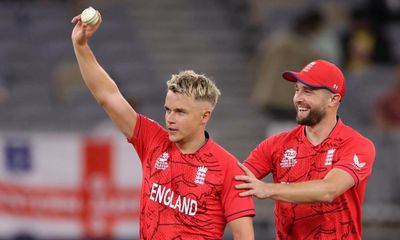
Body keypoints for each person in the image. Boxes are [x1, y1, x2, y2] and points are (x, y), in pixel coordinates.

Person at [70, 9, 255, 240]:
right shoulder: (152, 140)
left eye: (180, 112)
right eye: (168, 110)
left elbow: (244, 237)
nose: (170, 118)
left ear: (204, 116)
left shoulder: (228, 169)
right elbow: (109, 97)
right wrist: (81, 46)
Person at [236, 59, 376, 239]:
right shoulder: (275, 145)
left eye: (308, 91)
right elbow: (236, 185)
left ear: (333, 99)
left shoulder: (356, 144)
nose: (298, 98)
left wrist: (268, 189)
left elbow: (329, 190)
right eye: (297, 90)